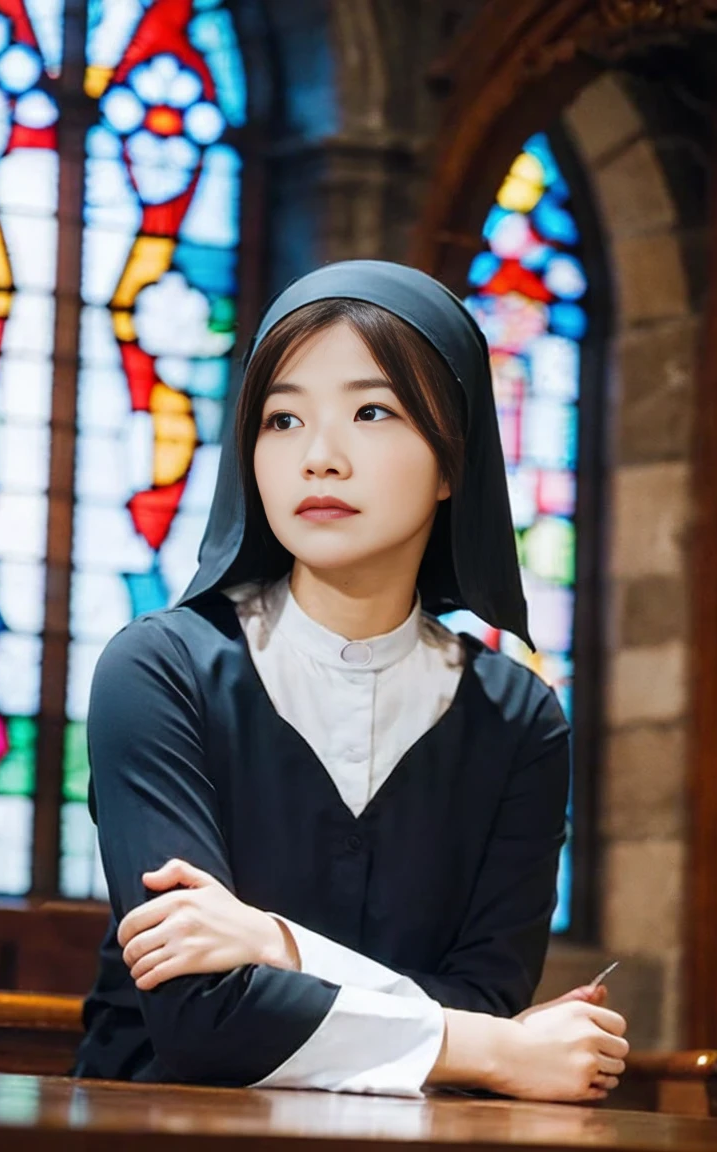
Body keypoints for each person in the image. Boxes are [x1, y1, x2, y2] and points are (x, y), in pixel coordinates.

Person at [73, 261, 628, 1100]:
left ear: (453, 464)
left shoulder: (520, 721)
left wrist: (273, 946)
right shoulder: (158, 670)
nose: (319, 459)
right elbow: (201, 1021)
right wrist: (487, 1047)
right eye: (282, 418)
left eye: (372, 411)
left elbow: (483, 1000)